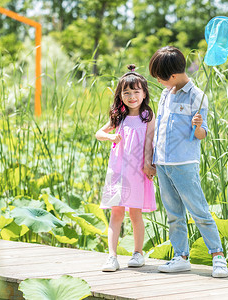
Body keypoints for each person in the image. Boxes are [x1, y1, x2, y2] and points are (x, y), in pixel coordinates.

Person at [149, 46, 228, 278]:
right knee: (173, 213)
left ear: (173, 75)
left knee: (199, 211)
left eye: (161, 78)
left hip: (184, 163)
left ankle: (218, 256)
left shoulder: (197, 96)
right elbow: (161, 128)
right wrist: (153, 160)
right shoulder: (166, 94)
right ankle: (181, 256)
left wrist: (197, 125)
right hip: (163, 163)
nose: (160, 83)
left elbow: (202, 134)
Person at [95, 64, 157, 272]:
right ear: (120, 95)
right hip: (118, 172)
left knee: (135, 214)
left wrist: (149, 165)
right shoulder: (118, 116)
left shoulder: (147, 116)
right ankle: (112, 256)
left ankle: (138, 253)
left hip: (137, 172)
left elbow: (149, 142)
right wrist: (111, 136)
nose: (132, 96)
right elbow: (98, 133)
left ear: (144, 93)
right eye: (127, 92)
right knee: (116, 213)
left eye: (136, 92)